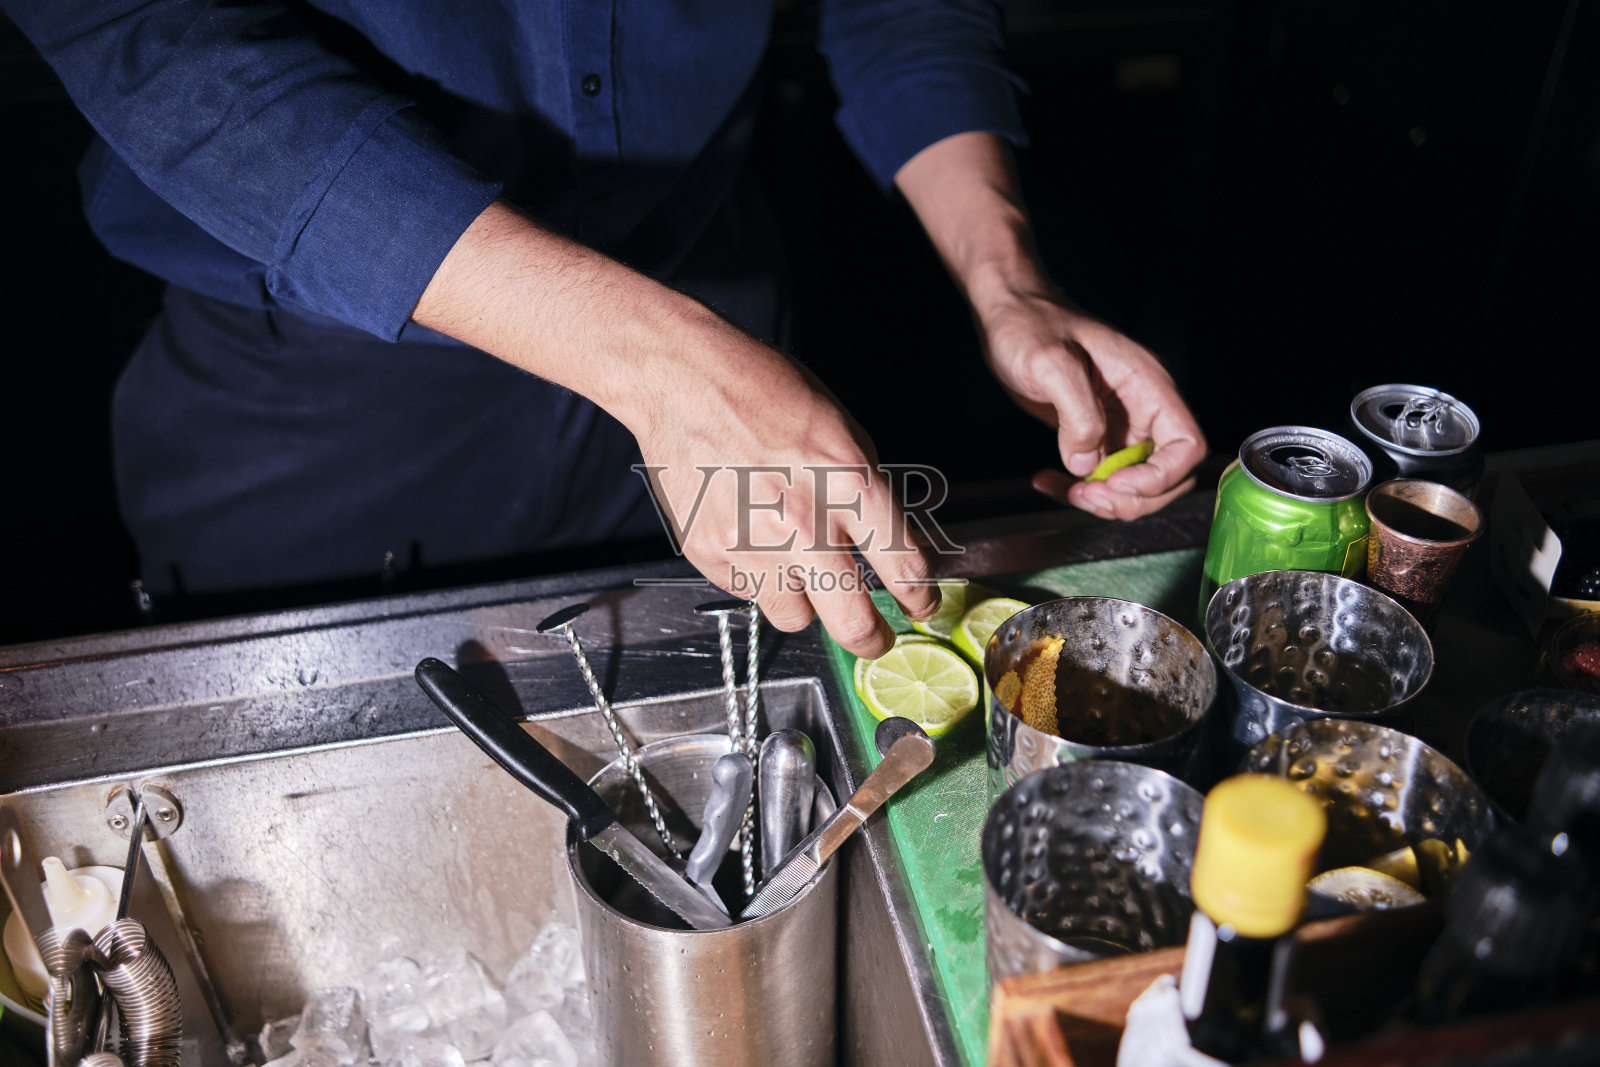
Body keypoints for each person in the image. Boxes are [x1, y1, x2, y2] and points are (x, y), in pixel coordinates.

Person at [5, 0, 1205, 658]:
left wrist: (1007, 282)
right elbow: (155, 44)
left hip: (720, 344)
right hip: (323, 403)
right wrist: (662, 360)